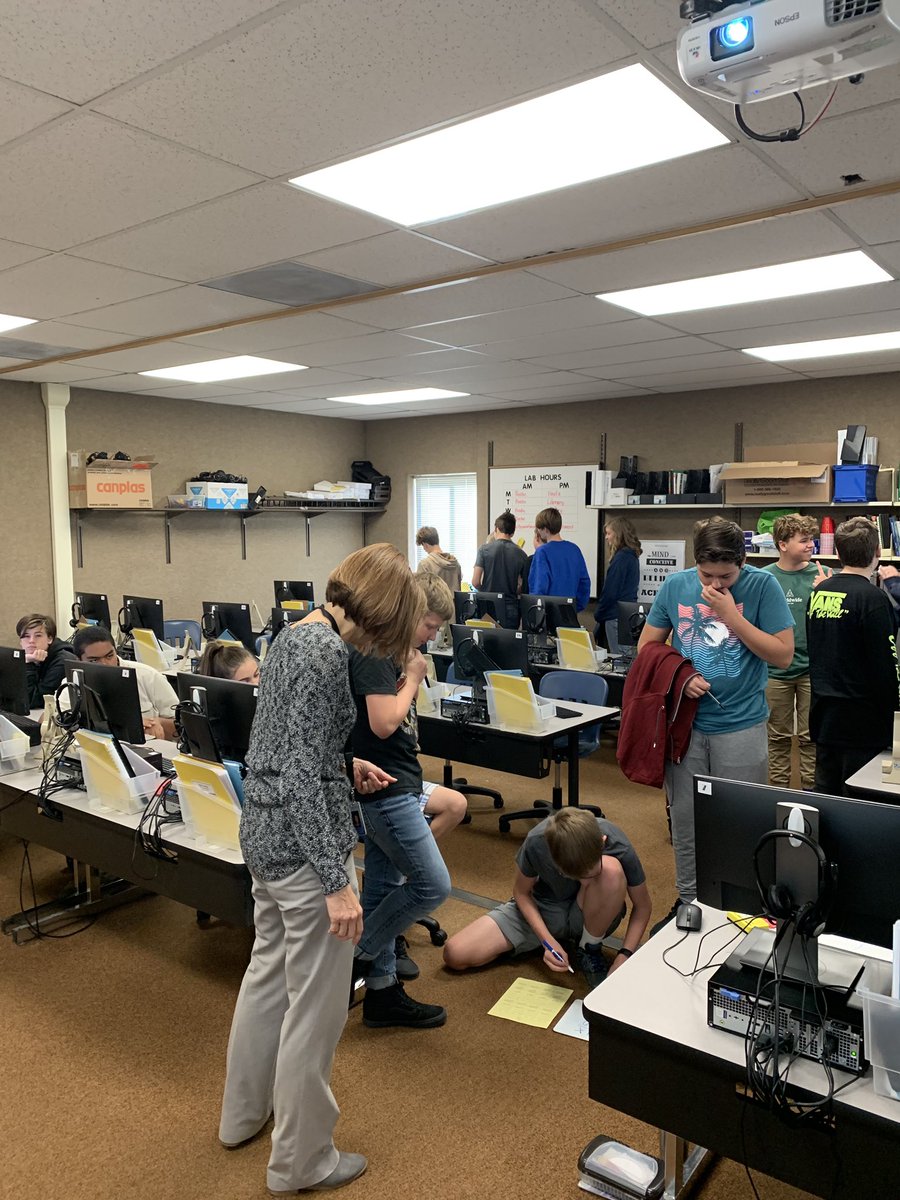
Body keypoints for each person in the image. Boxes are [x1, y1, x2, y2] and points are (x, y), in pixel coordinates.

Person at [219, 544, 424, 1195]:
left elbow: (282, 747)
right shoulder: (327, 653)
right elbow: (300, 769)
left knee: (267, 980)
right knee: (317, 1007)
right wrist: (337, 884)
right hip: (307, 854)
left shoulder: (295, 632)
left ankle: (243, 1115)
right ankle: (301, 1161)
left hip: (268, 838)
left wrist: (346, 766)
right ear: (383, 615)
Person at [638, 517, 793, 913]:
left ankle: (741, 905)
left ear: (743, 562)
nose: (716, 584)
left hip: (741, 725)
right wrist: (681, 676)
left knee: (740, 822)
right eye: (707, 574)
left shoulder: (763, 586)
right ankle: (690, 899)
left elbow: (782, 654)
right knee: (687, 823)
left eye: (726, 576)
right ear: (696, 564)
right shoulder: (676, 585)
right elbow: (647, 649)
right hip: (686, 726)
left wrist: (732, 616)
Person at [348, 572, 463, 1027]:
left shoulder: (393, 651)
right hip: (385, 790)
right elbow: (381, 723)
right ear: (410, 613)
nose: (434, 636)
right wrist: (413, 678)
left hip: (400, 781)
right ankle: (358, 956)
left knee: (381, 891)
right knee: (433, 885)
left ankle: (382, 994)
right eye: (430, 625)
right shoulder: (377, 652)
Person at [442, 808, 651, 989]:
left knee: (611, 871)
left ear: (601, 842)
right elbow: (521, 893)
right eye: (575, 876)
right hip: (545, 906)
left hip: (593, 911)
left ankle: (589, 947)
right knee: (456, 954)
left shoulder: (616, 841)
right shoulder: (538, 841)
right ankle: (553, 938)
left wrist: (624, 955)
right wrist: (547, 941)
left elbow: (642, 907)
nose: (583, 881)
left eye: (589, 876)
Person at [807, 516, 900, 796]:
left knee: (826, 795)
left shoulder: (819, 591)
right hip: (863, 721)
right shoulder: (874, 598)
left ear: (836, 552)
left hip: (824, 714)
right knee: (860, 799)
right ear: (876, 553)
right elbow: (885, 662)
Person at [762, 513, 830, 790]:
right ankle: (777, 792)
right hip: (774, 671)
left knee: (810, 736)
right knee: (776, 737)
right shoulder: (765, 578)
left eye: (812, 539)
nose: (810, 545)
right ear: (782, 544)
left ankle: (811, 794)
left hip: (811, 670)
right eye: (803, 541)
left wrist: (825, 591)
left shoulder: (823, 576)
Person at [70, 625, 178, 741]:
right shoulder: (70, 686)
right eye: (94, 660)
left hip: (150, 751)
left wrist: (158, 723)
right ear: (78, 660)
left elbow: (181, 727)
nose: (105, 664)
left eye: (109, 656)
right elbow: (69, 733)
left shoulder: (148, 675)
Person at [528, 507, 591, 612]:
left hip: (549, 613)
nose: (538, 531)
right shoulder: (574, 549)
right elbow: (584, 583)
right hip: (570, 611)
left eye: (539, 528)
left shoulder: (542, 552)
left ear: (545, 529)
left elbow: (539, 587)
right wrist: (575, 608)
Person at [593, 517, 641, 652]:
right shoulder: (632, 556)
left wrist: (599, 613)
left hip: (615, 616)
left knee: (620, 659)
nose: (607, 538)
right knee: (626, 657)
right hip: (627, 614)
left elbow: (610, 592)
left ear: (618, 534)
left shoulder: (621, 558)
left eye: (609, 533)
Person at [472, 511, 528, 627]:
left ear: (496, 529)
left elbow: (475, 581)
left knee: (488, 643)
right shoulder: (521, 554)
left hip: (488, 605)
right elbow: (522, 587)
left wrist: (486, 589)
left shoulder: (484, 550)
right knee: (509, 643)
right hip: (511, 608)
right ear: (512, 533)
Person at [16, 613, 75, 708]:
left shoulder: (62, 661)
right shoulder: (25, 657)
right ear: (20, 641)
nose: (31, 640)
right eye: (26, 636)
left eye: (38, 636)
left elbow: (33, 701)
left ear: (50, 639)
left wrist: (29, 664)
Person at [415, 526, 463, 593]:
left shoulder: (425, 564)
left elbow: (420, 594)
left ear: (425, 545)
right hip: (453, 603)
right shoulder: (456, 564)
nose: (424, 549)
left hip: (434, 603)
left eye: (423, 546)